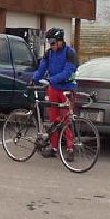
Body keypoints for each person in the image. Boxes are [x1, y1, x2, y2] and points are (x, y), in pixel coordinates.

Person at [32, 27, 79, 157]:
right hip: (53, 88)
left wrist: (51, 79)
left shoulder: (70, 53)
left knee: (67, 119)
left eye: (53, 43)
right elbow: (42, 68)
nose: (51, 46)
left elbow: (68, 71)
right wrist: (34, 78)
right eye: (50, 43)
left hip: (67, 88)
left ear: (60, 41)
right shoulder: (49, 53)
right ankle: (53, 148)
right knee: (53, 119)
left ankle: (70, 149)